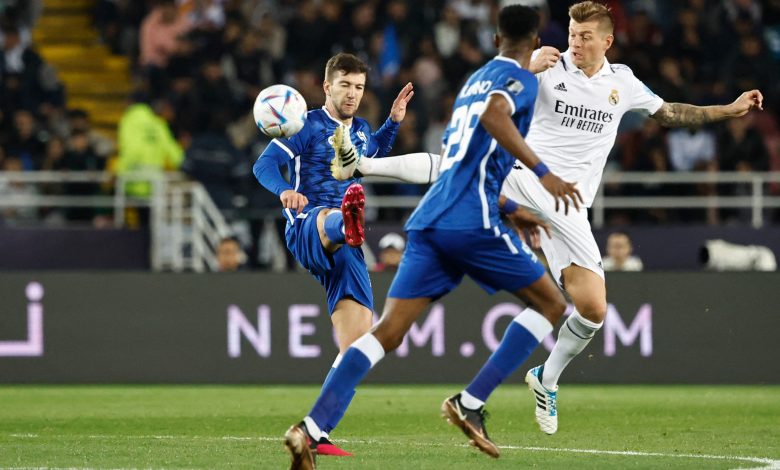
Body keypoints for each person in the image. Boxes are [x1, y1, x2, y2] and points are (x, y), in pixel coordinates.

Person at [341, 0, 764, 437]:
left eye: (584, 36)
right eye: (571, 33)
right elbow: (490, 90)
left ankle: (546, 378)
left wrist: (727, 111)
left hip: (569, 207)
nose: (574, 43)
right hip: (525, 176)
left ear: (607, 41)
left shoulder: (623, 82)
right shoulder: (547, 66)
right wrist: (525, 65)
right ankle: (364, 166)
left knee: (594, 309)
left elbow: (673, 113)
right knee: (458, 163)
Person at [285, 6, 583, 467]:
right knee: (552, 305)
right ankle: (470, 402)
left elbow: (455, 161)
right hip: (471, 219)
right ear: (535, 37)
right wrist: (544, 176)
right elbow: (495, 118)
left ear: (496, 35)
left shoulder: (474, 81)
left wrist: (512, 209)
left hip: (431, 217)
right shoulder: (519, 80)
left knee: (386, 332)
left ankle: (312, 427)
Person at [253, 52, 414, 459]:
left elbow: (372, 153)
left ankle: (317, 432)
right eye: (344, 85)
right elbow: (264, 165)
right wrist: (284, 191)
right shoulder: (304, 124)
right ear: (327, 86)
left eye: (358, 87)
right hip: (309, 225)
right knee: (331, 214)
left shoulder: (359, 128)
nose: (352, 94)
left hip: (348, 248)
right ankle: (347, 221)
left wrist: (392, 122)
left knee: (358, 346)